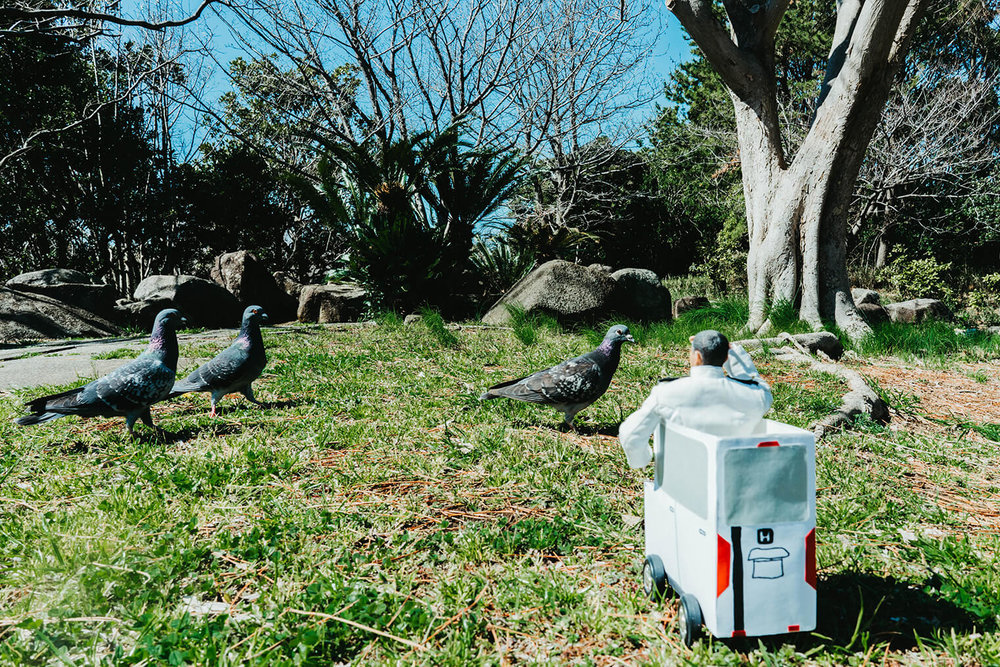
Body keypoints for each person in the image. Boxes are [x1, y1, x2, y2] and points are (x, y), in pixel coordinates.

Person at [618, 329, 773, 469]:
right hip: (735, 480)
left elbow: (630, 434)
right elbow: (758, 384)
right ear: (726, 357)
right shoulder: (755, 396)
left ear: (697, 356)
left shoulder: (666, 393)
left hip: (684, 482)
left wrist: (642, 460)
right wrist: (730, 349)